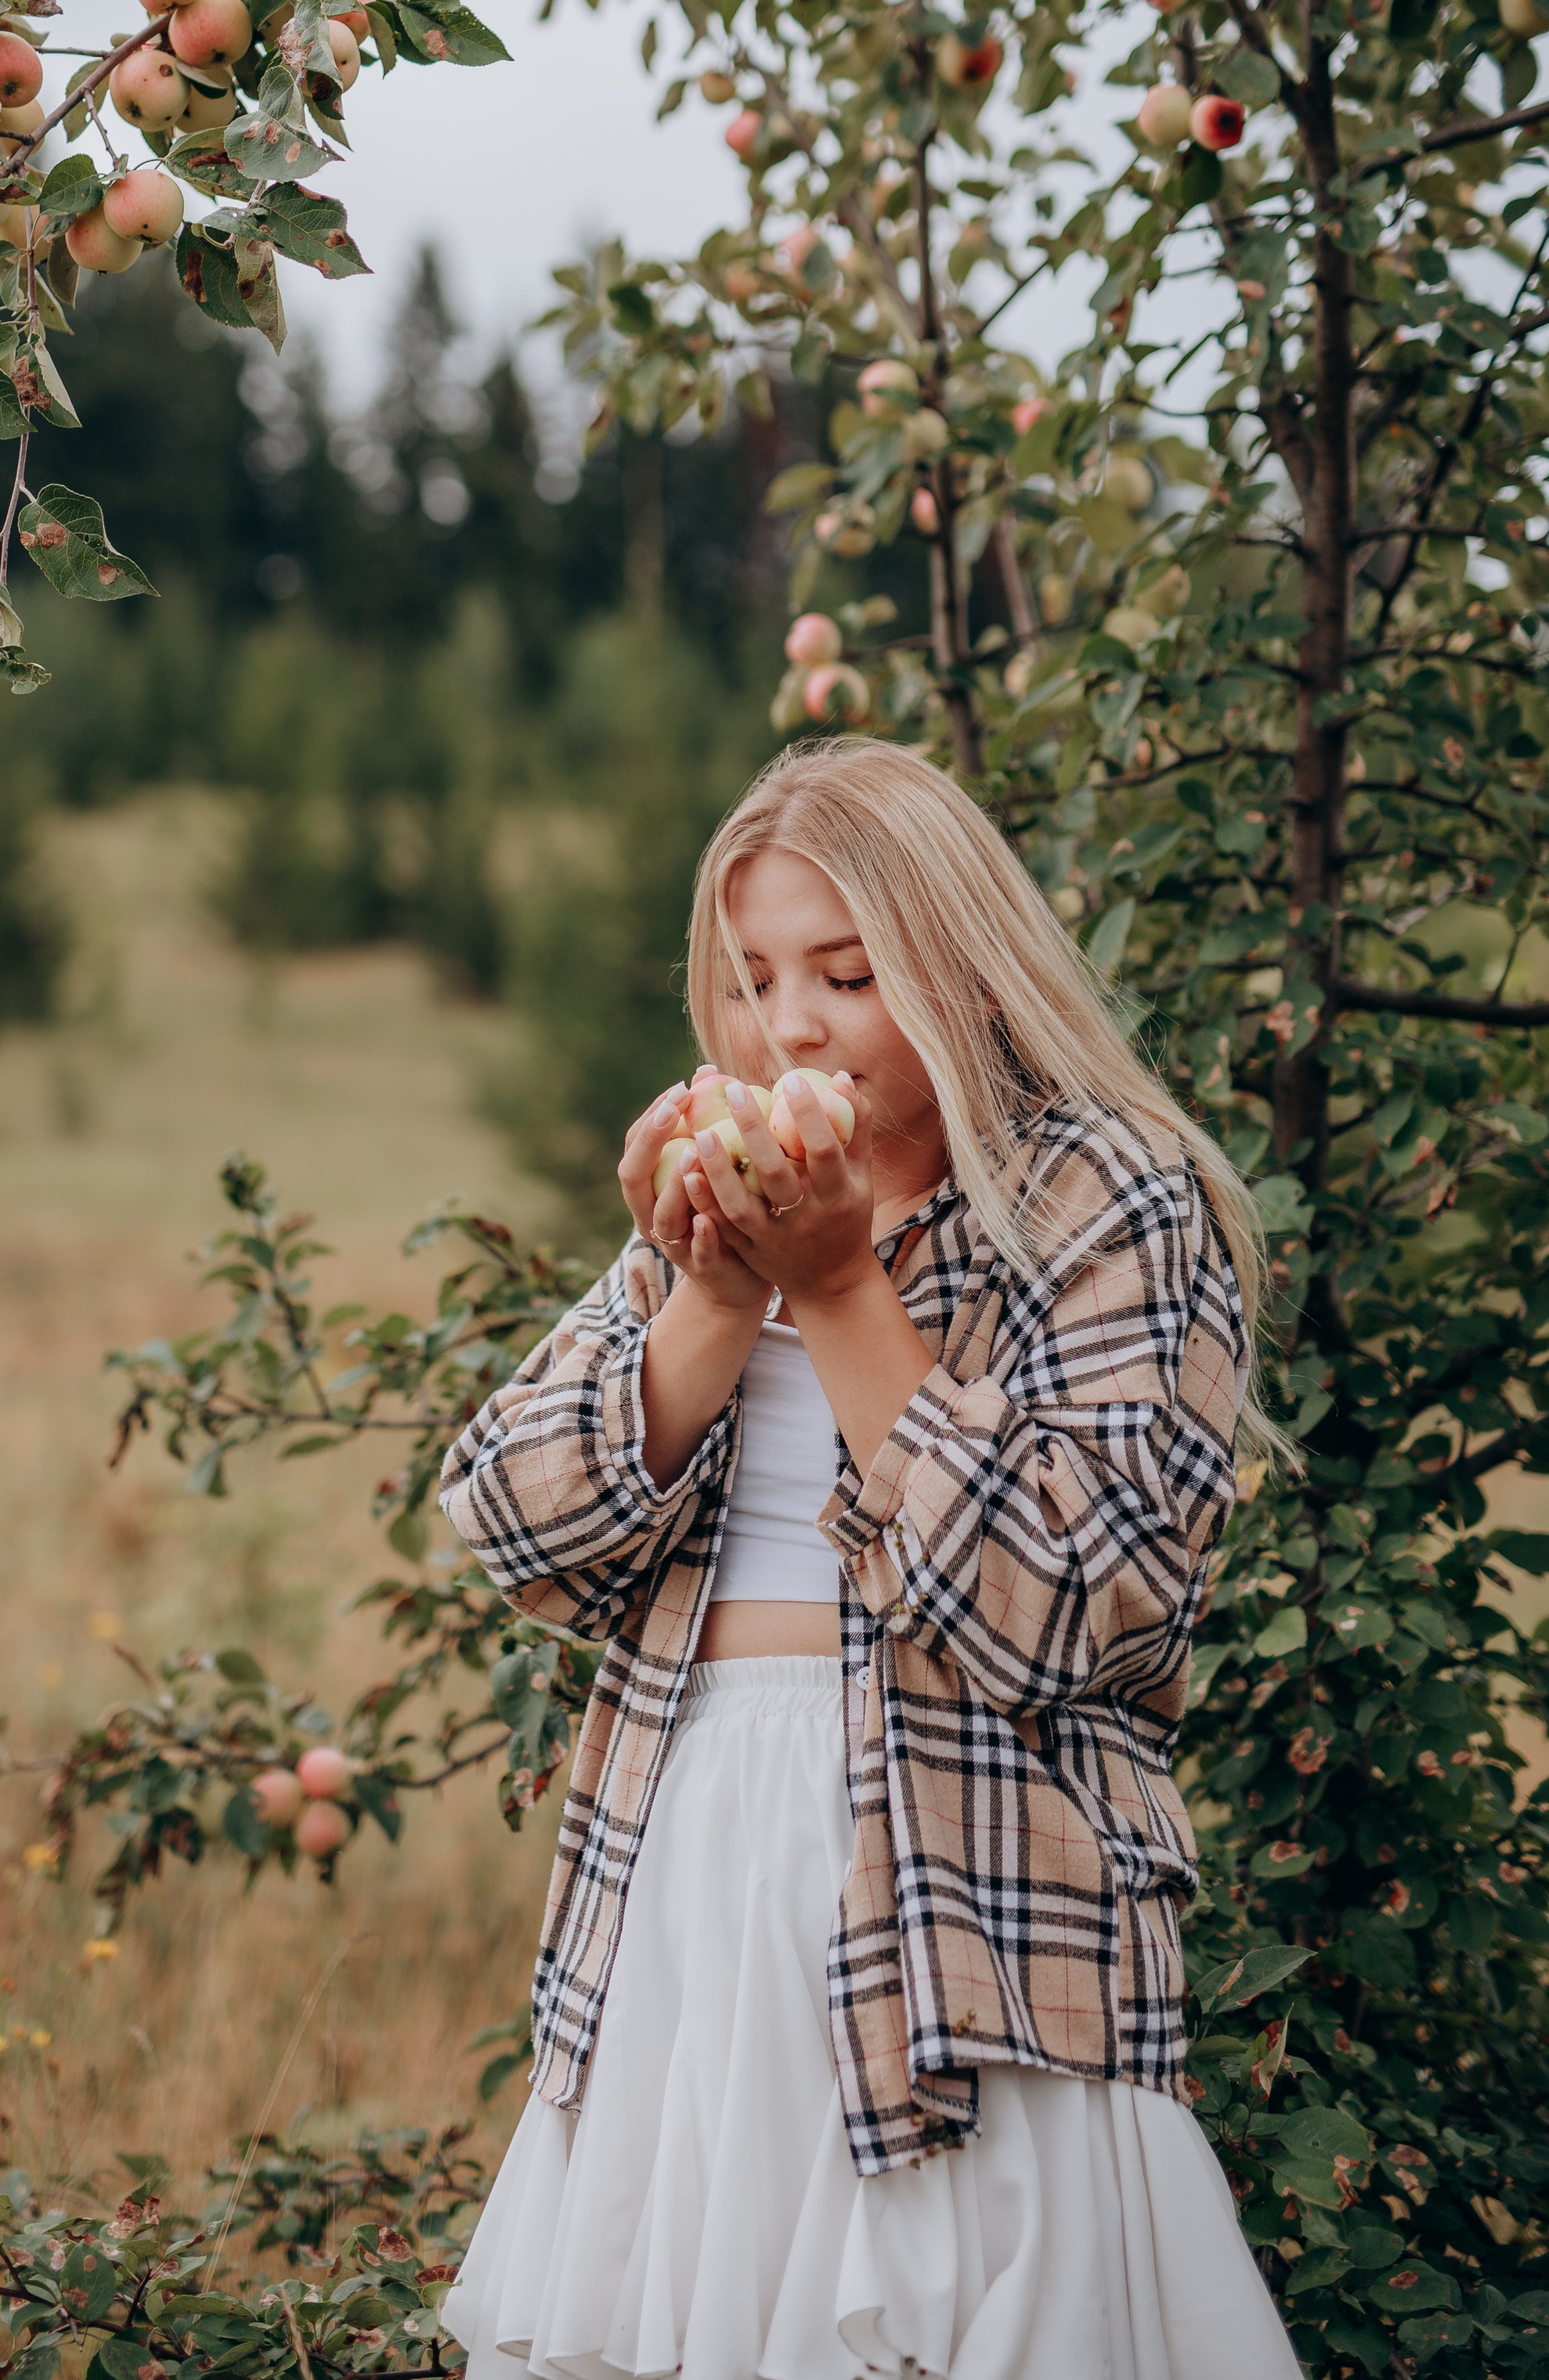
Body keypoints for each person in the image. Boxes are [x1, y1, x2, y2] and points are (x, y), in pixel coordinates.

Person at [439, 737, 1302, 2380]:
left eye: (845, 971)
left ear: (962, 964)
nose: (792, 1025)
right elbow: (512, 1525)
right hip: (692, 1886)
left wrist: (838, 1293)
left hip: (971, 1913)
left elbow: (1071, 1606)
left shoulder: (1103, 1196)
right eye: (756, 978)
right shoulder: (734, 1209)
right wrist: (709, 1292)